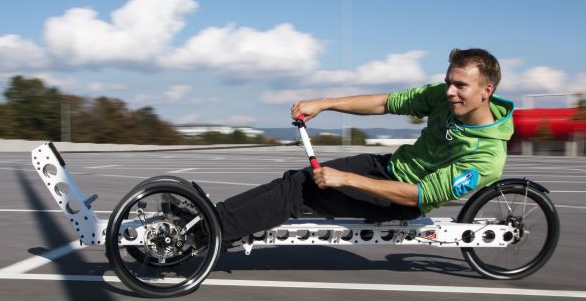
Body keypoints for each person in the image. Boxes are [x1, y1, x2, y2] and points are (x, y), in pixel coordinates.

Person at [215, 48, 514, 243]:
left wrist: (344, 179)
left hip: (397, 198)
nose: (449, 92)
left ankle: (210, 234)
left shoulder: (487, 156)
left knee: (300, 192)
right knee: (294, 180)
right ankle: (213, 217)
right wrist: (325, 104)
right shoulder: (442, 96)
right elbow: (385, 103)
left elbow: (419, 196)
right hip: (387, 166)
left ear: (487, 90)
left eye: (460, 85)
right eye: (449, 82)